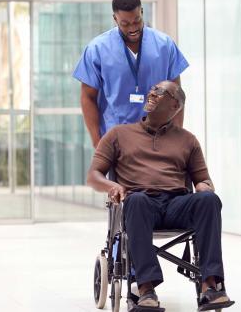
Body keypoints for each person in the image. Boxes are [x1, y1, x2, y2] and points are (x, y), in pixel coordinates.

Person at [86, 81, 233, 311]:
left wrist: (205, 186)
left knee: (209, 200)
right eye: (152, 89)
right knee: (136, 200)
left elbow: (204, 180)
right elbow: (93, 175)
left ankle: (210, 286)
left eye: (160, 91)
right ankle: (145, 290)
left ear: (175, 105)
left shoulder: (188, 140)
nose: (151, 92)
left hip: (176, 204)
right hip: (141, 205)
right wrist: (111, 186)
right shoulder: (118, 135)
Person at [73, 0, 189, 148]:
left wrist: (176, 138)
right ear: (115, 19)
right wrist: (97, 142)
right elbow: (88, 97)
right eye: (125, 24)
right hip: (116, 142)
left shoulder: (164, 45)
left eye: (137, 21)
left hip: (159, 140)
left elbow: (177, 95)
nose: (132, 28)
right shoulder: (97, 49)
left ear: (142, 12)